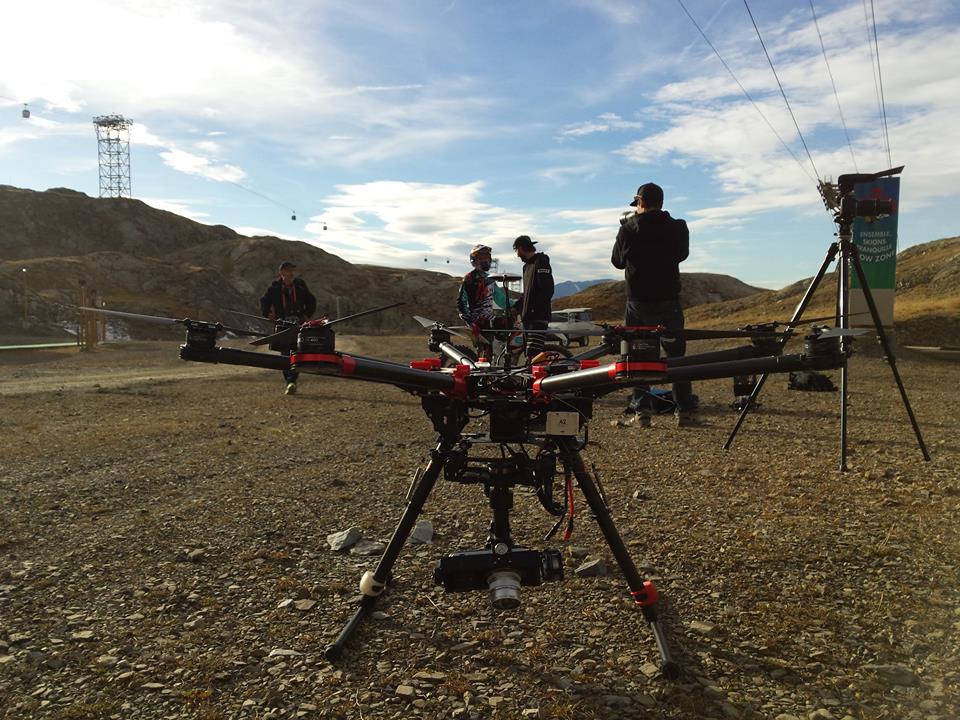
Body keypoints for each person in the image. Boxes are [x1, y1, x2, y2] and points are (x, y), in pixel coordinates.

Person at [611, 182, 697, 427]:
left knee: (638, 358)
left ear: (639, 202)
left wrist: (628, 230)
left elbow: (617, 261)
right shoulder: (678, 227)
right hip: (669, 300)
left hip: (637, 302)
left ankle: (642, 412)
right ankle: (685, 412)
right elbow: (682, 254)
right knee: (677, 356)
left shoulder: (628, 229)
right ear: (661, 201)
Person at [260, 261, 317, 395]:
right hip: (283, 324)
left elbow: (312, 301)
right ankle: (290, 382)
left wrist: (306, 315)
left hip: (299, 323)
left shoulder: (300, 285)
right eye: (288, 270)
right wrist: (267, 313)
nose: (291, 273)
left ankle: (292, 379)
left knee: (296, 352)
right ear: (282, 272)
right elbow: (264, 301)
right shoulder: (275, 287)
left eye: (292, 270)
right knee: (285, 353)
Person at [457, 244, 511, 343]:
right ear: (474, 260)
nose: (485, 260)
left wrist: (518, 303)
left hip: (491, 316)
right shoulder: (469, 278)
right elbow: (461, 302)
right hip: (478, 319)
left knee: (511, 323)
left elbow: (500, 299)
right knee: (504, 323)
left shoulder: (490, 279)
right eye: (481, 258)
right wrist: (470, 322)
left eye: (487, 258)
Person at [512, 235, 554, 360]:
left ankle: (546, 378)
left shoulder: (541, 261)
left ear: (521, 248)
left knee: (533, 355)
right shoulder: (526, 267)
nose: (518, 255)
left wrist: (533, 309)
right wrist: (516, 306)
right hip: (527, 319)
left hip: (538, 318)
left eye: (517, 251)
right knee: (528, 355)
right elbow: (527, 293)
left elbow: (547, 290)